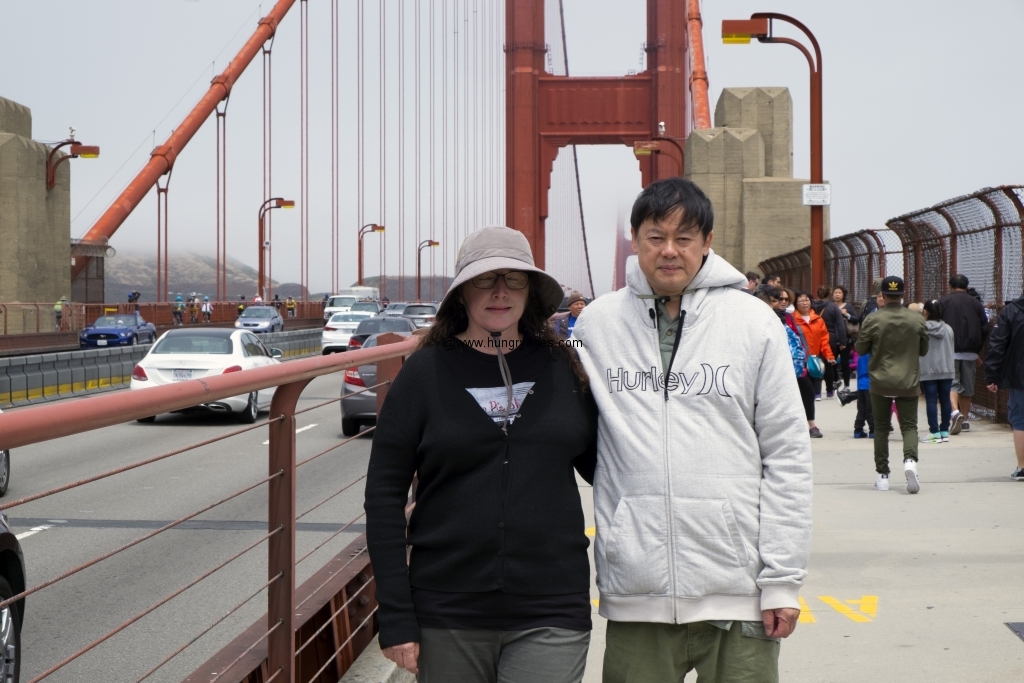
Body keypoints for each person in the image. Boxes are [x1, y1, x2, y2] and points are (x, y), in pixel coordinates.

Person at [572, 177, 812, 683]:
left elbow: (787, 456)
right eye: (655, 236)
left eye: (685, 238)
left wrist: (782, 583)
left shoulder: (753, 322)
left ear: (707, 242)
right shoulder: (596, 324)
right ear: (634, 240)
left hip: (738, 588)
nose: (669, 251)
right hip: (637, 593)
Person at [365, 227, 598, 682]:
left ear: (530, 291)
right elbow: (383, 497)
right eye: (484, 279)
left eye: (513, 279)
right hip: (448, 607)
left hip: (551, 603)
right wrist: (395, 614)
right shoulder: (424, 373)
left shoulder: (563, 368)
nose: (499, 292)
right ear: (461, 292)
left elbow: (609, 467)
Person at [855, 276, 929, 493]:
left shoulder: (873, 319)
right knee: (909, 426)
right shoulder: (916, 319)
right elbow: (923, 350)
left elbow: (860, 349)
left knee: (880, 428)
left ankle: (883, 476)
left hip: (880, 381)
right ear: (903, 295)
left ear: (883, 296)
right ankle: (910, 463)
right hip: (908, 380)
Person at [940, 274, 989, 434]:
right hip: (970, 352)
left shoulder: (944, 301)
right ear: (966, 286)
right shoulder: (975, 303)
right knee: (967, 387)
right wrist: (976, 351)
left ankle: (955, 412)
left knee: (952, 383)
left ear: (951, 285)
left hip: (949, 351)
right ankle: (966, 419)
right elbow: (984, 328)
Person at [983, 292, 1024, 481]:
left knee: (1020, 421)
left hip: (1020, 375)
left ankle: (1022, 467)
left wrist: (992, 375)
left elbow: (997, 344)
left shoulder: (1012, 311)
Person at [793, 291, 836, 416]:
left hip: (813, 360)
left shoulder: (818, 319)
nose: (805, 303)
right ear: (795, 303)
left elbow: (824, 340)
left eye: (807, 300)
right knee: (804, 391)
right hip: (798, 361)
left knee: (809, 391)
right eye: (801, 301)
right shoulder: (792, 319)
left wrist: (829, 356)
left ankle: (808, 418)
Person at [918, 300, 955, 444]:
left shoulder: (922, 328)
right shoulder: (948, 329)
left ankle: (934, 432)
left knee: (931, 400)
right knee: (945, 399)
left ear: (925, 312)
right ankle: (944, 431)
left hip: (928, 369)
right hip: (947, 368)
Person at [831, 286, 859, 389]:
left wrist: (846, 314)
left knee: (844, 363)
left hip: (846, 339)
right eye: (835, 292)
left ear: (843, 295)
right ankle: (836, 380)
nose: (837, 294)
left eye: (839, 293)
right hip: (833, 338)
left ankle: (846, 385)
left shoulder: (849, 307)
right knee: (832, 361)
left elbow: (856, 319)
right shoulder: (830, 306)